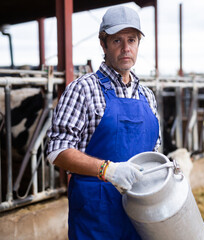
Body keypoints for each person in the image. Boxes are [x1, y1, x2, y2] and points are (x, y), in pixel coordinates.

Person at [46, 5, 161, 239]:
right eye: (117, 41)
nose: (126, 48)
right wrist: (108, 170)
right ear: (103, 43)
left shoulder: (147, 96)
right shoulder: (83, 89)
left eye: (132, 40)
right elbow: (57, 151)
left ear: (139, 43)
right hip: (97, 221)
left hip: (140, 219)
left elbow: (154, 152)